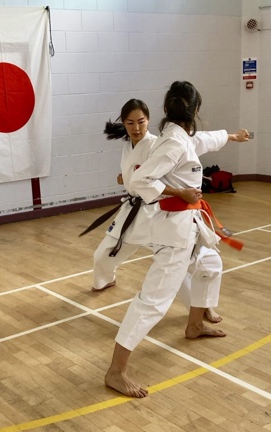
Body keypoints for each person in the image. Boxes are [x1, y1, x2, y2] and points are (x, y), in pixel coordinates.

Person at [104, 81, 249, 398]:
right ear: (195, 110)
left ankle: (195, 325)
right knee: (153, 302)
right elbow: (143, 179)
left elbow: (205, 141)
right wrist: (179, 191)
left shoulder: (180, 137)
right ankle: (116, 371)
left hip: (190, 225)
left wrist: (233, 136)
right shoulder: (173, 143)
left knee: (210, 265)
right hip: (174, 230)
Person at [92, 98, 234, 322]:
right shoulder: (128, 145)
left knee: (180, 265)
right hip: (132, 211)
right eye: (130, 123)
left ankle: (202, 308)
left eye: (141, 122)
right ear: (124, 123)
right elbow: (138, 174)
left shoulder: (159, 143)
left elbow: (197, 140)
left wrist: (230, 136)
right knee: (102, 255)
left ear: (149, 120)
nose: (136, 128)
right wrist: (126, 178)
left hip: (156, 212)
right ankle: (105, 279)